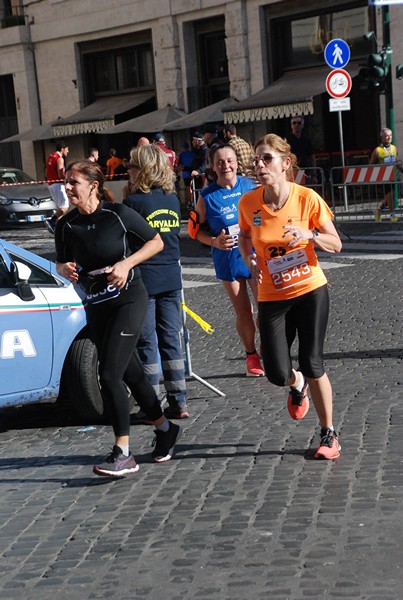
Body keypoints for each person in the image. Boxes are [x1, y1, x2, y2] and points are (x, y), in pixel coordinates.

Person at [54, 160, 182, 476]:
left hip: (128, 298)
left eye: (73, 182)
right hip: (96, 303)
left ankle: (123, 452)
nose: (67, 187)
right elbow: (61, 262)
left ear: (93, 185)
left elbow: (156, 242)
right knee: (132, 373)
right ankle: (165, 429)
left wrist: (126, 264)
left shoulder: (118, 214)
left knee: (109, 373)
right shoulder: (65, 225)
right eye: (66, 181)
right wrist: (63, 269)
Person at [238, 133, 342, 460]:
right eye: (256, 159)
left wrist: (308, 234)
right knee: (275, 371)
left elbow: (335, 242)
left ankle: (329, 434)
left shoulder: (306, 198)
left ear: (285, 163)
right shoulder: (249, 202)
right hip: (271, 295)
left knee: (313, 362)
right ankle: (296, 384)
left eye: (266, 158)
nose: (259, 164)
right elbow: (243, 235)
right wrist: (246, 256)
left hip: (310, 290)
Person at [124, 144, 189, 420]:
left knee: (146, 342)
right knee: (171, 339)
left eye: (131, 166)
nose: (127, 170)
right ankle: (179, 400)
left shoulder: (134, 203)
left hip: (146, 279)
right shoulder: (172, 200)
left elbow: (126, 241)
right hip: (171, 278)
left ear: (143, 170)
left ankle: (150, 404)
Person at [188, 144, 264, 377]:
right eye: (220, 162)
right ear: (212, 166)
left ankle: (269, 349)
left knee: (266, 307)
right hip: (228, 258)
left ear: (236, 162)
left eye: (229, 160)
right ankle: (251, 356)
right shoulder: (207, 196)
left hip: (255, 255)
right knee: (244, 310)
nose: (226, 166)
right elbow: (193, 230)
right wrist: (214, 242)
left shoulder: (251, 187)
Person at [370, 127, 399, 222]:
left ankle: (378, 211)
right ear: (381, 137)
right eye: (387, 136)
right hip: (383, 177)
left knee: (390, 197)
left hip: (393, 176)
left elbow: (397, 161)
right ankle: (392, 215)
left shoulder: (394, 148)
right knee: (389, 195)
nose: (389, 138)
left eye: (390, 135)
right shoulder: (377, 150)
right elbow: (371, 164)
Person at [44, 140, 70, 234]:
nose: (68, 151)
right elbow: (60, 174)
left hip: (51, 184)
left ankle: (58, 228)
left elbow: (46, 173)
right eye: (67, 149)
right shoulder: (59, 158)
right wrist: (68, 177)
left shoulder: (50, 157)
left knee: (60, 207)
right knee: (65, 206)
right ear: (62, 149)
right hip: (58, 185)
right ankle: (51, 220)